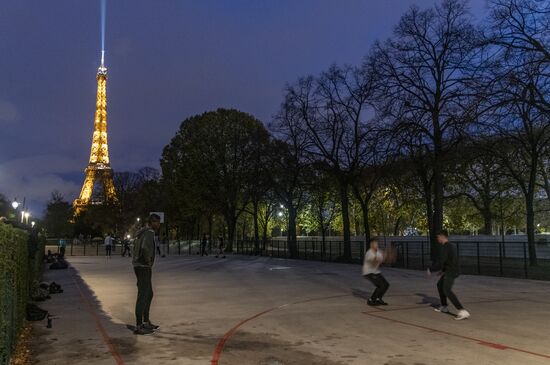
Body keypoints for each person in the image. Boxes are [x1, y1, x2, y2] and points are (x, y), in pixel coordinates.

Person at [427, 230, 470, 321]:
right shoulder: (451, 246)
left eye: (438, 236)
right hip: (450, 270)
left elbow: (442, 261)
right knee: (440, 285)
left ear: (442, 236)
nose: (437, 238)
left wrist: (431, 269)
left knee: (446, 290)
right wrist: (442, 271)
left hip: (451, 271)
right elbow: (449, 260)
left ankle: (462, 310)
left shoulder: (446, 247)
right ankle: (444, 306)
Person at [132, 214, 161, 335]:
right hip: (143, 266)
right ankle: (139, 325)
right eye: (157, 222)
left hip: (138, 265)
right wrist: (148, 261)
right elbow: (144, 248)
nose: (159, 225)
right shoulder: (149, 232)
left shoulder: (142, 232)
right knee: (143, 294)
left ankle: (145, 321)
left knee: (149, 293)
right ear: (153, 222)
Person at [363, 238, 391, 306]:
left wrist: (386, 256)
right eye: (375, 243)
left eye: (377, 243)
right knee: (380, 286)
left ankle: (378, 299)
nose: (376, 245)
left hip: (375, 271)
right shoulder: (369, 253)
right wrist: (381, 257)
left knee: (386, 285)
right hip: (368, 272)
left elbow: (383, 260)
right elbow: (373, 262)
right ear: (371, 244)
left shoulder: (379, 251)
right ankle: (371, 300)